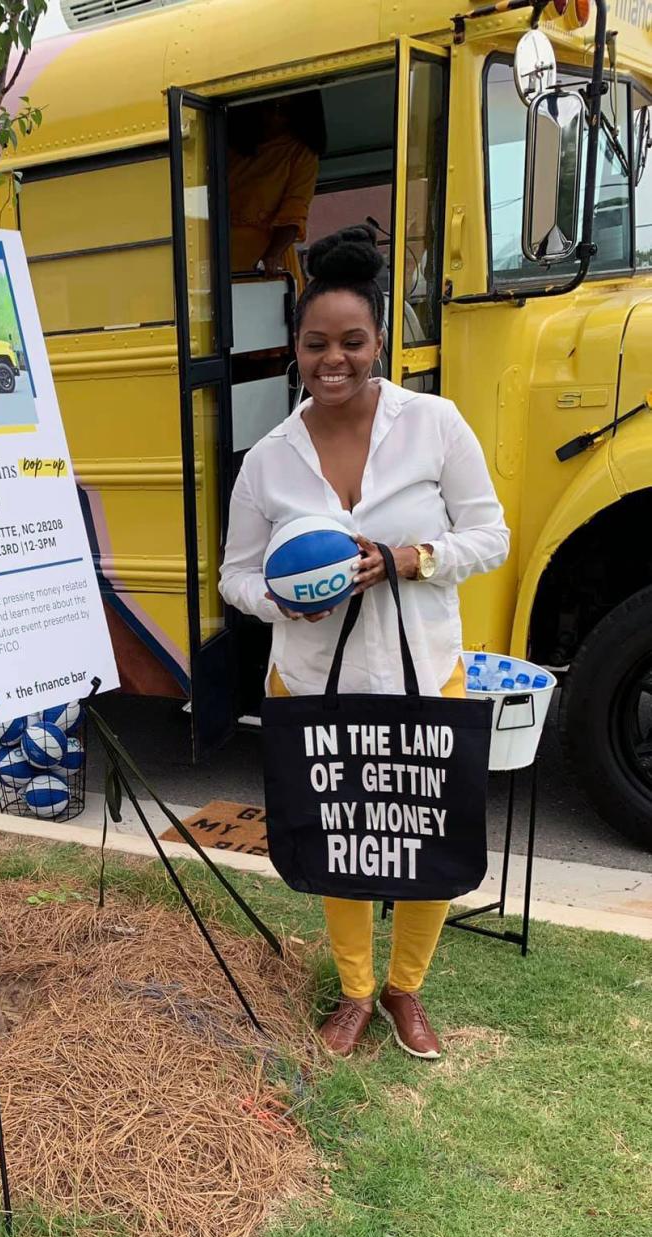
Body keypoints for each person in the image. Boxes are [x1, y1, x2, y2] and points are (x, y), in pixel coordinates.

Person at [220, 227, 509, 1061]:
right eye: (316, 345)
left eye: (352, 342)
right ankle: (352, 990)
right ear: (297, 350)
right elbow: (234, 577)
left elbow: (490, 535)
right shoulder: (269, 460)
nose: (333, 360)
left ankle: (404, 987)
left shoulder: (434, 425)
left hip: (422, 668)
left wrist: (409, 559)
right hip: (309, 675)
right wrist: (280, 601)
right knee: (339, 829)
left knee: (426, 829)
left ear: (379, 341)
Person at [228, 93, 325, 292]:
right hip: (221, 258)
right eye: (268, 107)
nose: (273, 117)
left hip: (265, 266)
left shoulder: (301, 153)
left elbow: (294, 211)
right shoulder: (230, 147)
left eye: (284, 111)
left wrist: (272, 256)